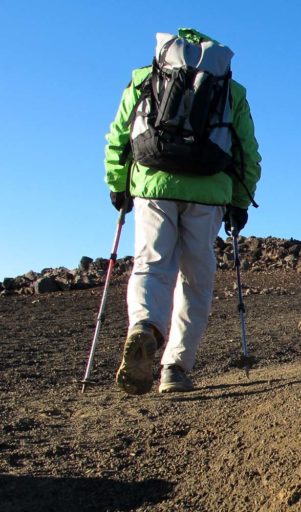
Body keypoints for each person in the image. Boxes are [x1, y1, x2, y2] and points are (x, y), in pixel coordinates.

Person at [104, 28, 261, 395]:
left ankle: (144, 325)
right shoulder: (229, 90)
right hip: (208, 191)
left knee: (151, 264)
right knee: (195, 281)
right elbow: (247, 153)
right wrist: (240, 200)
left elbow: (118, 135)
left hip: (152, 183)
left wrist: (117, 184)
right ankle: (175, 367)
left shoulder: (145, 78)